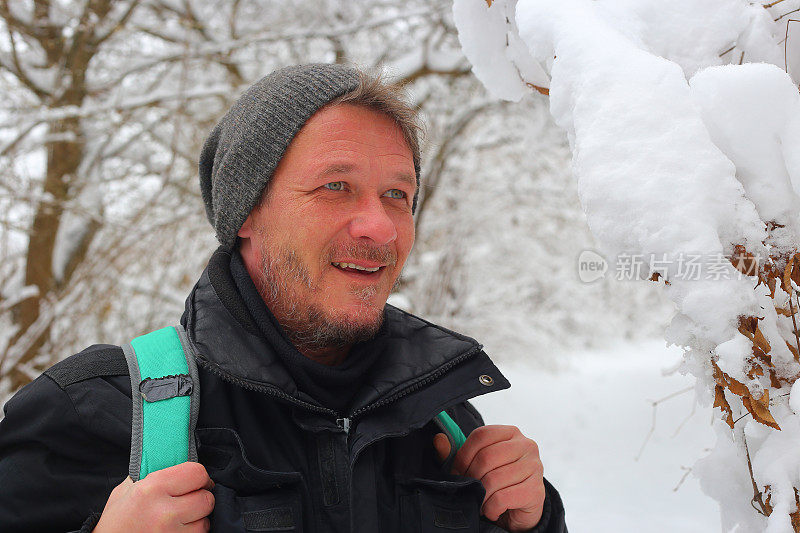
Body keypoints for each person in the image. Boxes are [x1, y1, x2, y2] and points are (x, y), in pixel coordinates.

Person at [0, 63, 567, 533]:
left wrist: (535, 521)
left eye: (398, 194)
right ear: (247, 212)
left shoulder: (441, 420)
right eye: (335, 186)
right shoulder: (98, 413)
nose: (380, 226)